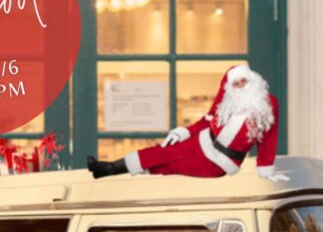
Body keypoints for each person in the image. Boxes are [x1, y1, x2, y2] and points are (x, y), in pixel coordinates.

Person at [87, 65, 289, 182]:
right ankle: (108, 167)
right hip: (202, 141)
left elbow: (269, 139)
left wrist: (266, 170)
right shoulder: (228, 99)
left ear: (252, 80)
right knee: (161, 151)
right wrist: (184, 132)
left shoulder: (267, 104)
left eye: (243, 81)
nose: (240, 87)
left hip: (220, 162)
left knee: (170, 165)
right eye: (235, 84)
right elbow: (207, 121)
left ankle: (116, 174)